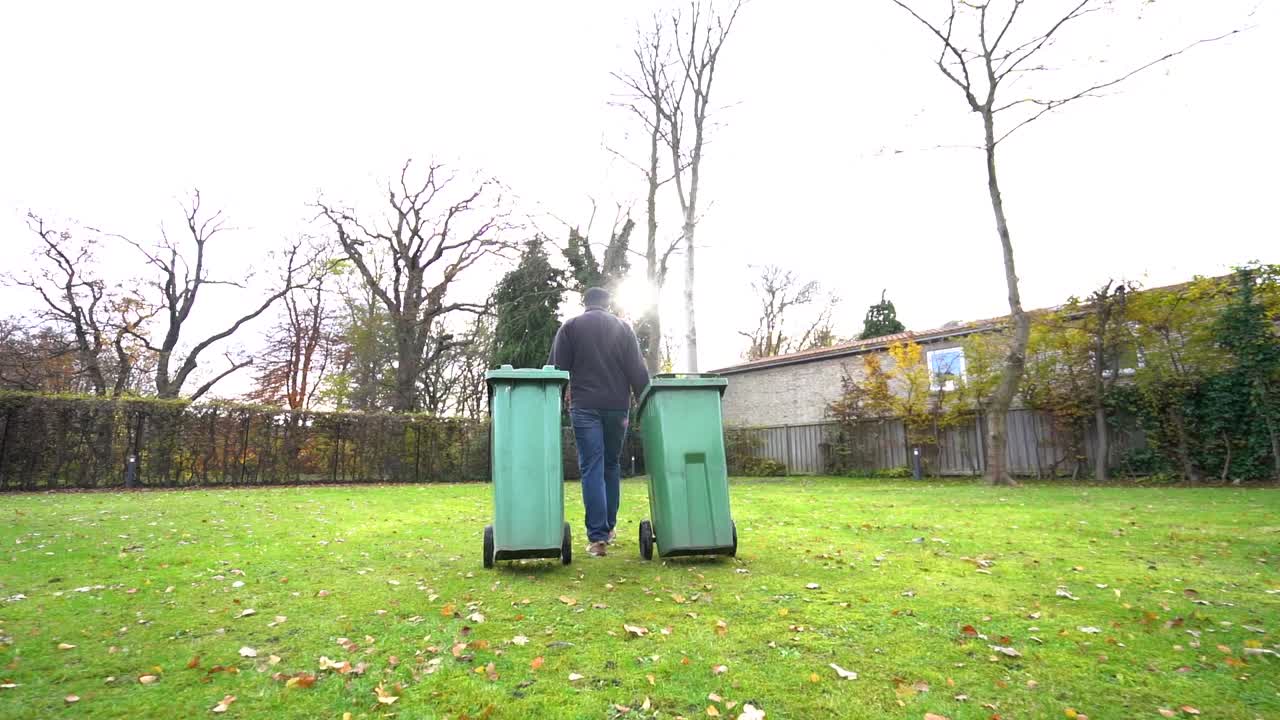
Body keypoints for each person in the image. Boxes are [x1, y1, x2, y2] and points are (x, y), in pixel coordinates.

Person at [548, 287, 650, 557]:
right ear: (608, 304)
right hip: (618, 408)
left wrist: (552, 404)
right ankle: (608, 527)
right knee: (611, 465)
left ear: (586, 304)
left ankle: (597, 539)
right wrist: (647, 402)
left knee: (592, 466)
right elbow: (637, 370)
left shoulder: (571, 327)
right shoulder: (623, 328)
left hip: (584, 407)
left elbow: (556, 371)